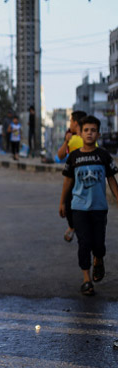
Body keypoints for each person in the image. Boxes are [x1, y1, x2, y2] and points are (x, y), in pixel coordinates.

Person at [59, 115, 118, 296]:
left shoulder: (104, 156)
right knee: (84, 243)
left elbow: (111, 179)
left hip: (99, 208)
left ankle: (98, 259)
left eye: (93, 130)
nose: (90, 133)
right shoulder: (74, 157)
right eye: (86, 130)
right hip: (79, 208)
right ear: (80, 133)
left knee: (98, 244)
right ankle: (86, 280)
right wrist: (62, 202)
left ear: (98, 134)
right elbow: (68, 182)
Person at [57, 110, 87, 242]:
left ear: (75, 122)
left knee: (68, 204)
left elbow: (60, 155)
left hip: (76, 177)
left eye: (70, 121)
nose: (69, 123)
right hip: (82, 176)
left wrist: (67, 141)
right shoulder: (72, 136)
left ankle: (74, 227)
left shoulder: (74, 139)